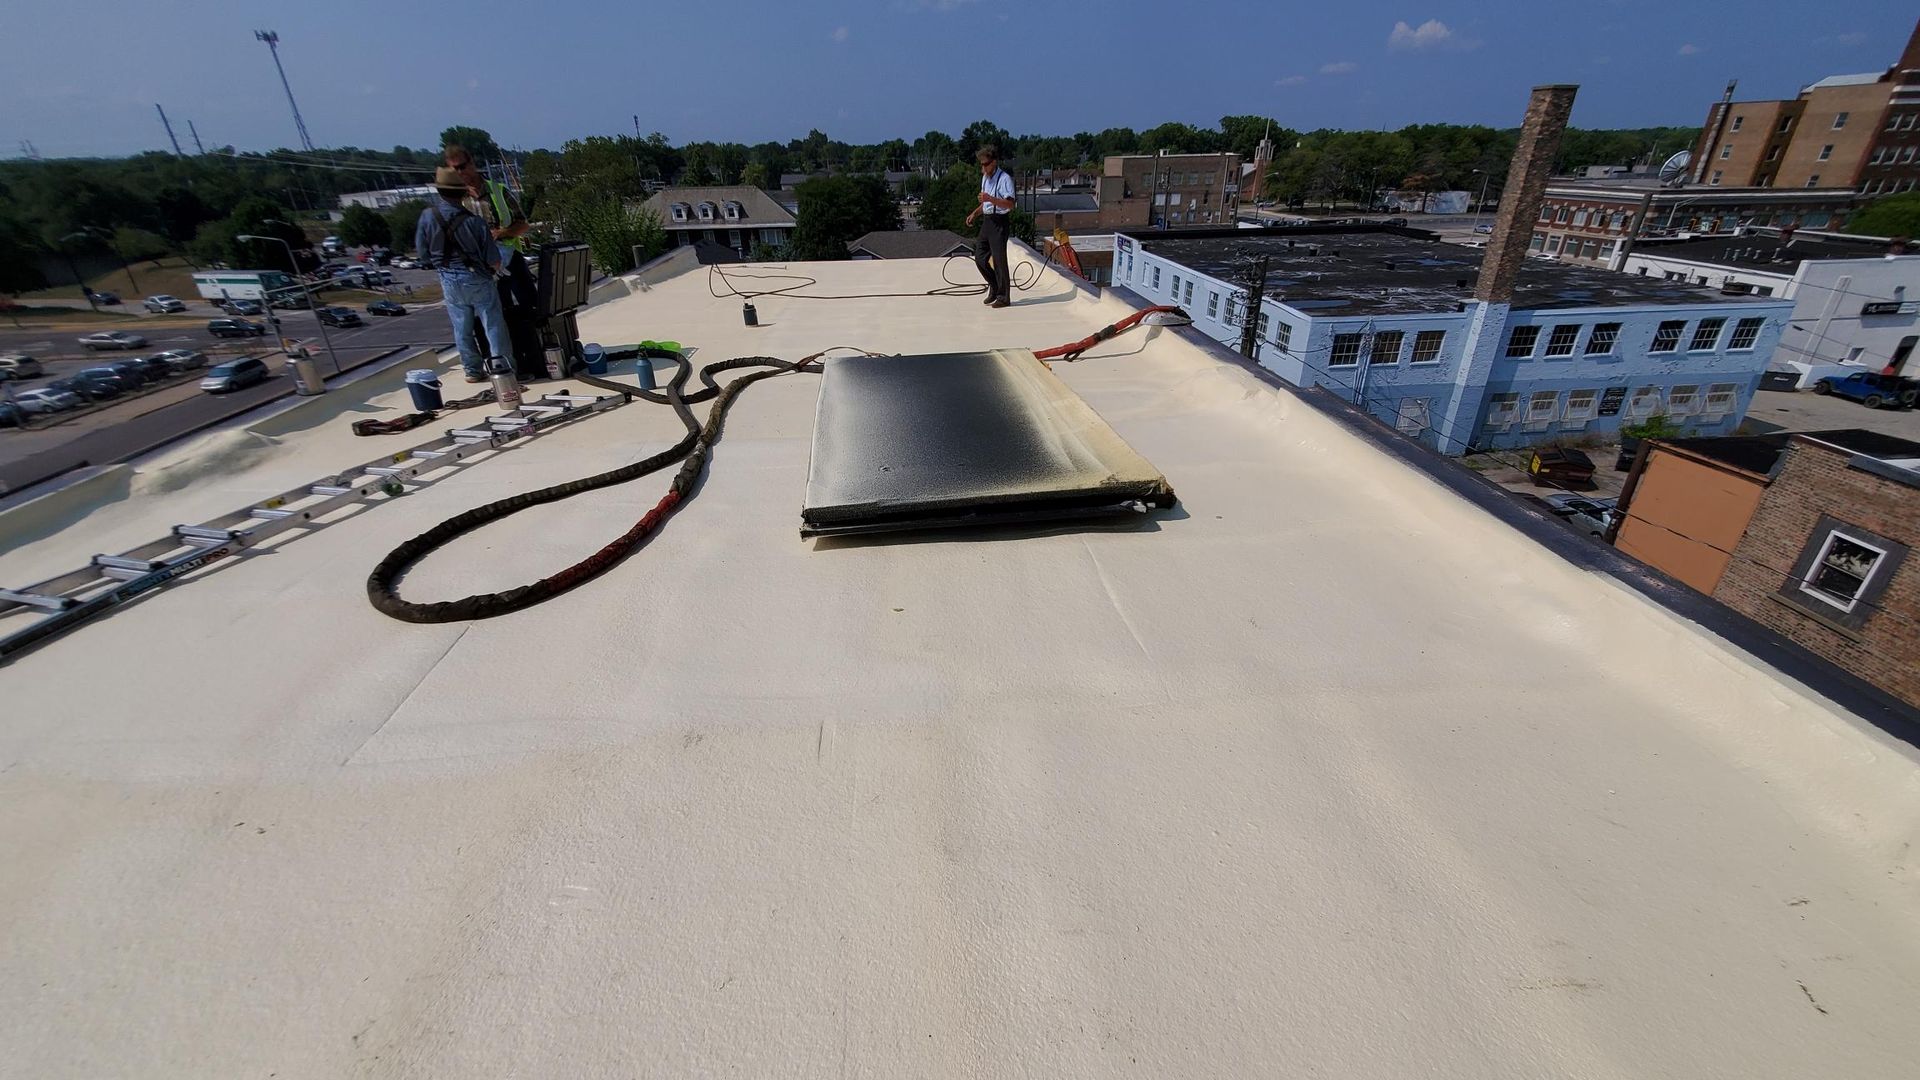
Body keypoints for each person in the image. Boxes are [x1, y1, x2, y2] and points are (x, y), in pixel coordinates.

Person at [444, 144, 542, 378]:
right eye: (454, 169)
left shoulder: (498, 191)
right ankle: (502, 366)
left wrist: (503, 233)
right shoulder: (456, 200)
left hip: (510, 259)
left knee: (528, 307)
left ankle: (535, 359)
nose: (460, 173)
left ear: (472, 164)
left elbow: (523, 224)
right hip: (480, 267)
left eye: (463, 167)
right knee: (491, 318)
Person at [416, 165, 514, 383]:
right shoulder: (475, 222)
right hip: (477, 278)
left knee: (462, 328)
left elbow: (423, 255)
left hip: (448, 279)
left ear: (439, 191)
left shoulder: (427, 217)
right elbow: (494, 260)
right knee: (493, 324)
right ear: (462, 193)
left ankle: (472, 371)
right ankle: (502, 370)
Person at [966, 145, 1016, 309]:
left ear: (994, 162)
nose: (983, 167)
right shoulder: (985, 178)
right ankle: (994, 286)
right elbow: (985, 203)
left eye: (986, 164)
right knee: (980, 257)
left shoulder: (1004, 179)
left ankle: (1003, 297)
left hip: (999, 221)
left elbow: (1010, 204)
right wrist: (975, 213)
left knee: (999, 260)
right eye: (981, 164)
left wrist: (990, 198)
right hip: (987, 221)